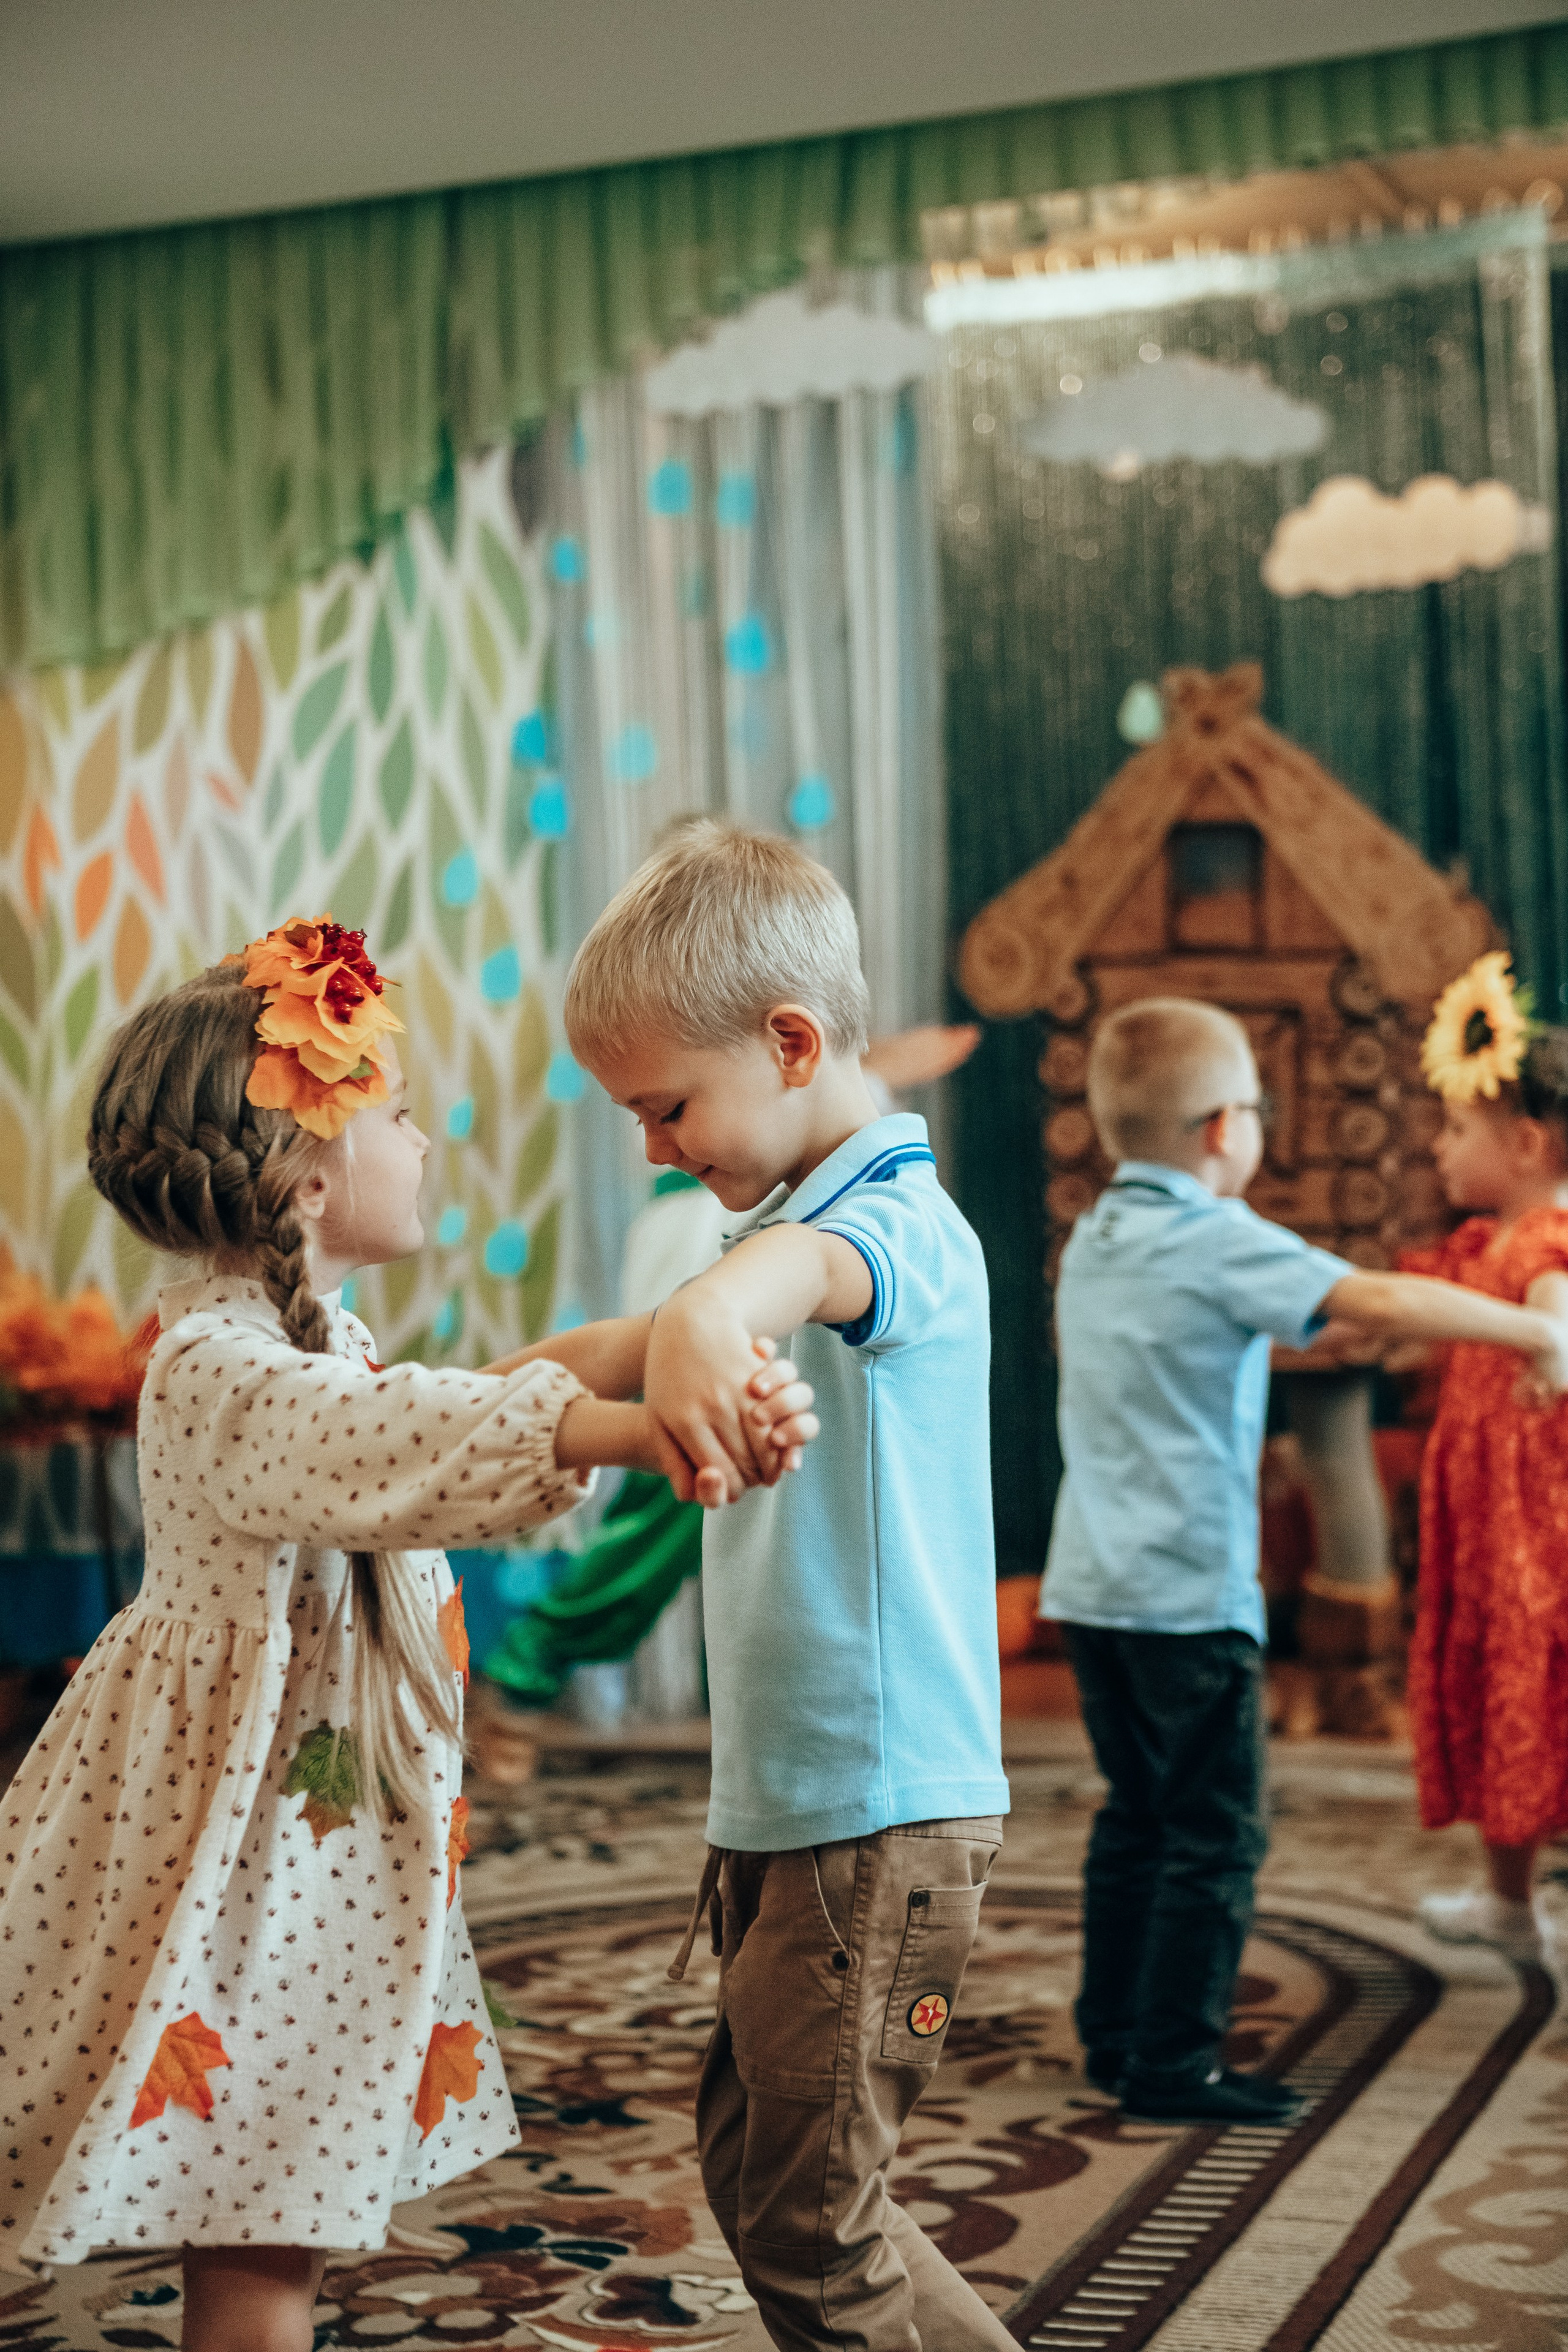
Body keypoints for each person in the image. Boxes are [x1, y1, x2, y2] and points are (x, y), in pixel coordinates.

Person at [0, 919, 815, 2352]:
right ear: (308, 1175)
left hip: (305, 1853)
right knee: (262, 2220)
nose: (426, 1137)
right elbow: (404, 1437)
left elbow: (433, 1409)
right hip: (241, 1862)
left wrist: (675, 1378)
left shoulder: (317, 1342)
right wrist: (650, 1433)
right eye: (393, 1113)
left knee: (278, 2213)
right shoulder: (220, 1365)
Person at [562, 822, 1014, 2352]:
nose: (653, 1147)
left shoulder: (892, 1232)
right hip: (795, 1810)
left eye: (665, 1106)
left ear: (793, 1043)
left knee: (809, 2222)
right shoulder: (768, 1233)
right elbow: (605, 1358)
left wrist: (705, 1309)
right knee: (776, 2186)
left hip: (874, 1819)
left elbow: (791, 1286)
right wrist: (437, 1404)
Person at [1041, 995, 1568, 2126]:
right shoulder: (1214, 1235)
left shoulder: (1100, 1233)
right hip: (1187, 1595)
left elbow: (1242, 1328)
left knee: (1136, 1816)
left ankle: (1112, 2033)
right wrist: (1538, 1332)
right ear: (1228, 1127)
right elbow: (1367, 1294)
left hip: (1091, 1586)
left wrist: (1331, 1331)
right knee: (1216, 1833)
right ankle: (1174, 2064)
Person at [1401, 954, 1568, 1961]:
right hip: (1487, 1515)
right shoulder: (1484, 1241)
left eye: (1456, 1127)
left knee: (1532, 1677)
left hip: (1530, 1527)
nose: (1438, 1145)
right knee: (1501, 1678)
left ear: (1525, 1142)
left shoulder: (1544, 1238)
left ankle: (1517, 1900)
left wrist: (1553, 1345)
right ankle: (1510, 1903)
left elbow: (1555, 1304)